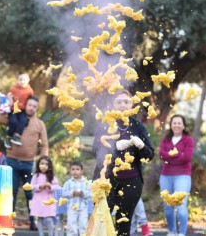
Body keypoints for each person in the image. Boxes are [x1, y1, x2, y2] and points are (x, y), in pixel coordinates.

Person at [92, 90, 155, 236]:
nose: (123, 105)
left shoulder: (138, 126)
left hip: (131, 181)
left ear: (131, 105)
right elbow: (95, 151)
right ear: (113, 105)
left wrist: (141, 146)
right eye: (119, 102)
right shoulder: (105, 124)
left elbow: (150, 154)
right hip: (105, 180)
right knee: (102, 221)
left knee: (124, 223)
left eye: (126, 102)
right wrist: (114, 147)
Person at [1, 95, 48, 230]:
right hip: (12, 161)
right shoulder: (14, 117)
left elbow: (44, 144)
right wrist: (9, 105)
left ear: (37, 109)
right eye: (30, 105)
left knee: (30, 194)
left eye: (34, 106)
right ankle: (7, 221)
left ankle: (33, 222)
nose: (31, 108)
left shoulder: (39, 124)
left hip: (28, 163)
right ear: (25, 105)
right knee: (11, 192)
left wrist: (45, 161)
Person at [158, 114, 194, 236]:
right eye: (174, 123)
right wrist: (179, 154)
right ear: (171, 125)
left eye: (179, 123)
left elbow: (187, 157)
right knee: (168, 206)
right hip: (166, 175)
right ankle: (172, 231)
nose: (177, 125)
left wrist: (170, 156)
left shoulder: (188, 140)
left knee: (181, 205)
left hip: (183, 175)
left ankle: (182, 233)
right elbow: (161, 155)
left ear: (183, 125)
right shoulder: (166, 139)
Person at [29, 156, 60, 236]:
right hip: (38, 200)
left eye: (46, 164)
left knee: (49, 219)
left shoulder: (51, 177)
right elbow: (32, 186)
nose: (44, 166)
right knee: (40, 218)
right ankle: (41, 234)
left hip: (49, 200)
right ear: (38, 165)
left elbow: (56, 187)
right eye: (42, 163)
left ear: (49, 166)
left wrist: (50, 186)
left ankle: (51, 233)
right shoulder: (36, 176)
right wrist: (40, 186)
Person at [62, 161, 91, 236]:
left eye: (77, 169)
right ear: (70, 171)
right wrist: (72, 193)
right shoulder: (68, 183)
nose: (75, 171)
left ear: (82, 171)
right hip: (72, 208)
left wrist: (83, 193)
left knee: (83, 225)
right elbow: (64, 194)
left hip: (83, 207)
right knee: (71, 225)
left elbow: (90, 194)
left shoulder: (86, 182)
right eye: (73, 169)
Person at [6, 72, 34, 147]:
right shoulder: (13, 89)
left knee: (24, 121)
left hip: (22, 110)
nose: (22, 81)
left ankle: (17, 136)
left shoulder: (29, 91)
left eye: (24, 80)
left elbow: (31, 100)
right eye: (20, 79)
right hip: (13, 109)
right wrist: (9, 100)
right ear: (17, 80)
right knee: (13, 121)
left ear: (28, 80)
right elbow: (8, 97)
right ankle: (8, 136)